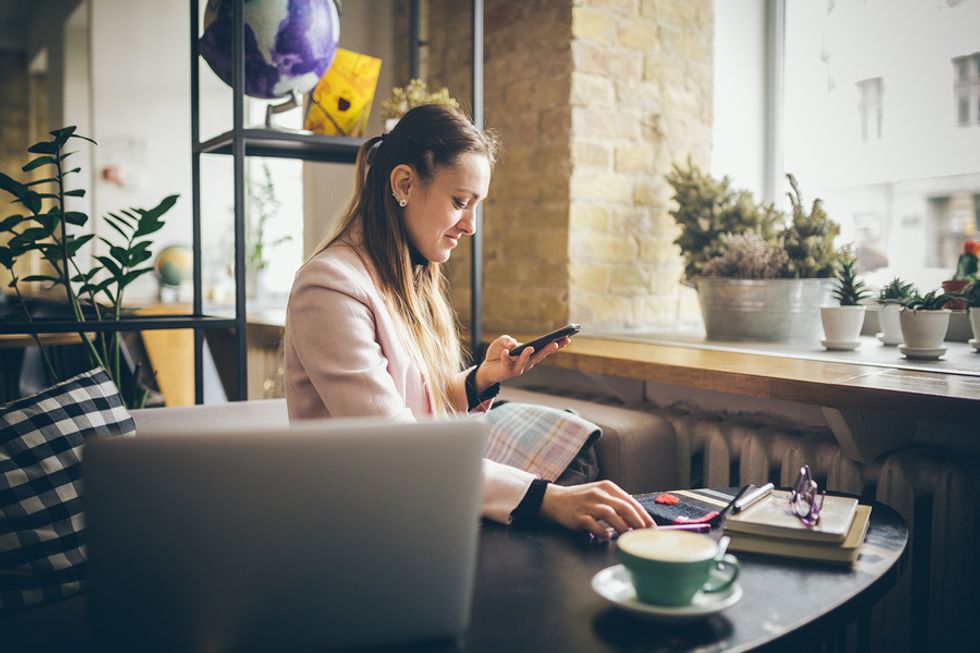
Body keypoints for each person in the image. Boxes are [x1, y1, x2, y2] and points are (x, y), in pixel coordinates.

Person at [284, 104, 653, 539]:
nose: (471, 225)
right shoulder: (328, 287)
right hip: (355, 529)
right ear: (403, 183)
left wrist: (479, 380)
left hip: (415, 508)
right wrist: (545, 497)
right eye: (460, 201)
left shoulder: (407, 278)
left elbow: (415, 410)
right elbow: (397, 448)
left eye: (476, 205)